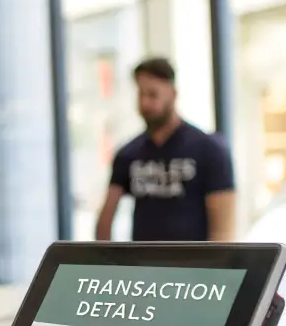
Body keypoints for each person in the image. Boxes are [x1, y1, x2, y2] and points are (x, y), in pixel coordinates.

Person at [95, 57, 236, 243]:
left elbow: (223, 229)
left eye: (153, 95)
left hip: (193, 266)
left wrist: (216, 268)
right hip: (144, 265)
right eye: (141, 95)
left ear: (173, 93)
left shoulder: (209, 149)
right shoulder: (129, 154)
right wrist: (106, 261)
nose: (145, 103)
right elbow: (107, 214)